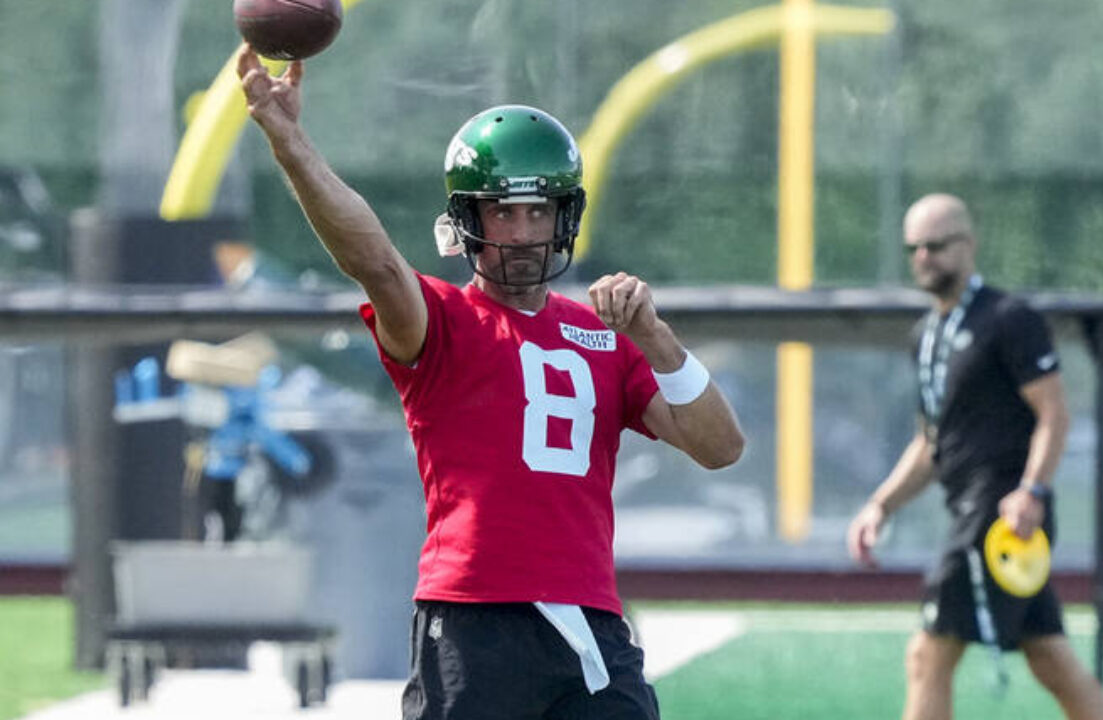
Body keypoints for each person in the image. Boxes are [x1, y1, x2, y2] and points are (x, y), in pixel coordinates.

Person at [236, 46, 745, 719]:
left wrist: (658, 339)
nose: (525, 232)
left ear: (566, 215)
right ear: (469, 221)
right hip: (474, 620)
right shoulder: (442, 321)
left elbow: (721, 447)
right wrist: (289, 141)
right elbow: (377, 264)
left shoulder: (607, 337)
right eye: (504, 211)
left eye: (540, 211)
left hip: (589, 621)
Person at [845, 194, 1103, 720]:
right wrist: (881, 505)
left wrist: (1033, 489)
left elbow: (1054, 415)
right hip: (968, 508)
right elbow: (931, 443)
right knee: (1050, 658)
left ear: (968, 245)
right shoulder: (926, 335)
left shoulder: (1009, 319)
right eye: (914, 248)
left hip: (1001, 514)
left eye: (937, 245)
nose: (924, 257)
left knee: (928, 654)